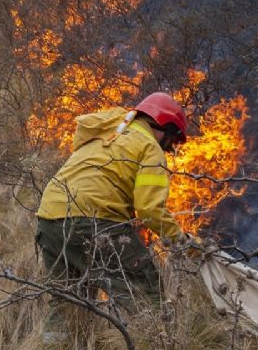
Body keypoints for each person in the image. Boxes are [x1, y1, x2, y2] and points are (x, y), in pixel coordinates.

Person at [36, 92, 188, 338]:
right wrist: (182, 241)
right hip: (92, 222)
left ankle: (54, 343)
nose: (168, 148)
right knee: (148, 294)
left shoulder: (107, 132)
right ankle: (161, 342)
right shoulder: (149, 148)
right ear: (164, 128)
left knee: (67, 305)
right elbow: (149, 211)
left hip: (49, 218)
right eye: (170, 142)